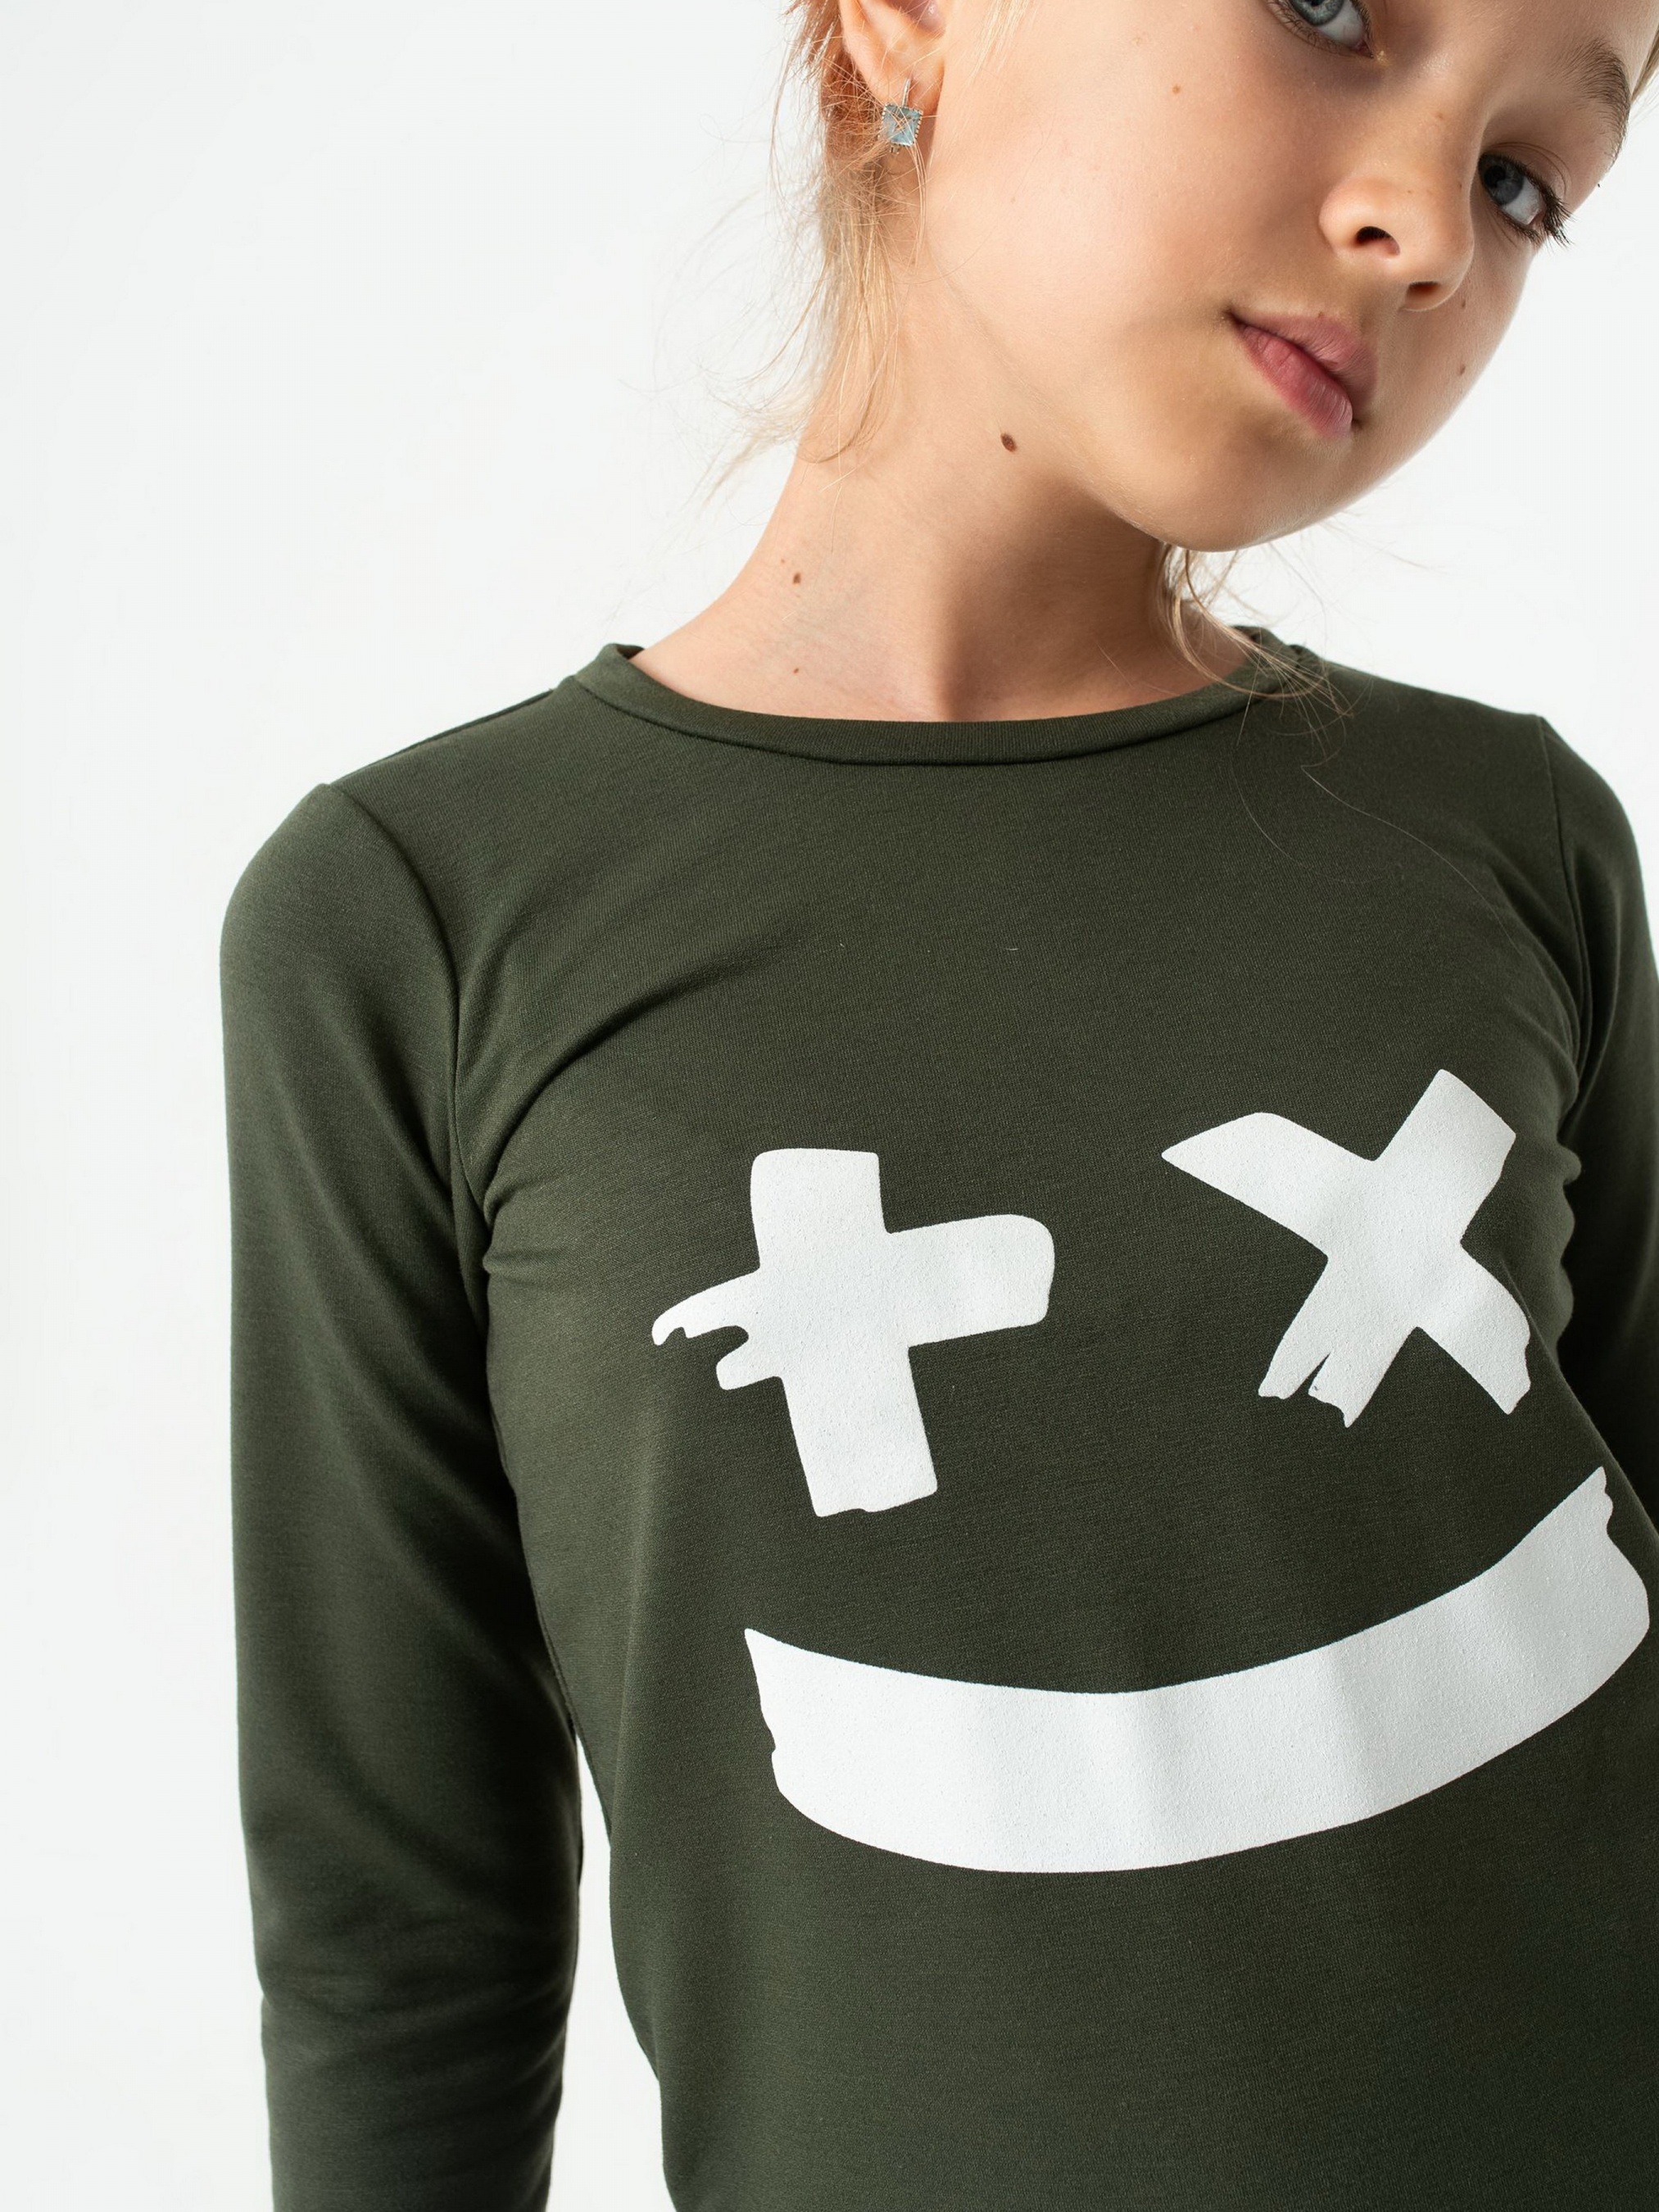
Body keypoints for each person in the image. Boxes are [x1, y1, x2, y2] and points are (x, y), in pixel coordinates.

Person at [218, 2, 1659, 2205]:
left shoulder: (1509, 837)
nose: (1429, 231)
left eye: (1526, 179)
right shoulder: (416, 922)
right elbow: (401, 1940)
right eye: (1328, 10)